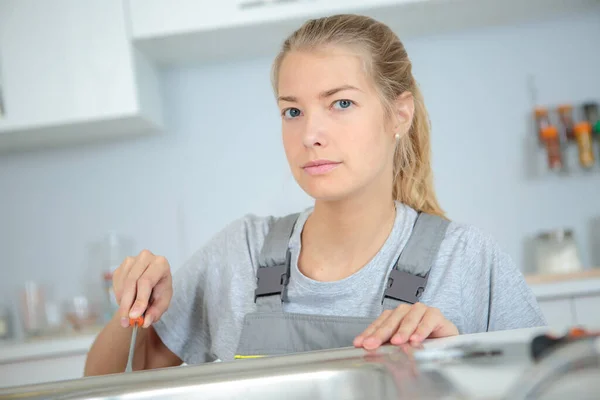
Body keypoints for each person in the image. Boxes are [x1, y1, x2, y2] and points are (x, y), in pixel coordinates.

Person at [84, 13, 546, 376]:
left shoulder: (467, 261)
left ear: (399, 115)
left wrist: (455, 362)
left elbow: (546, 386)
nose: (310, 134)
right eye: (292, 111)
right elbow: (106, 383)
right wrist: (135, 309)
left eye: (340, 103)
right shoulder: (238, 255)